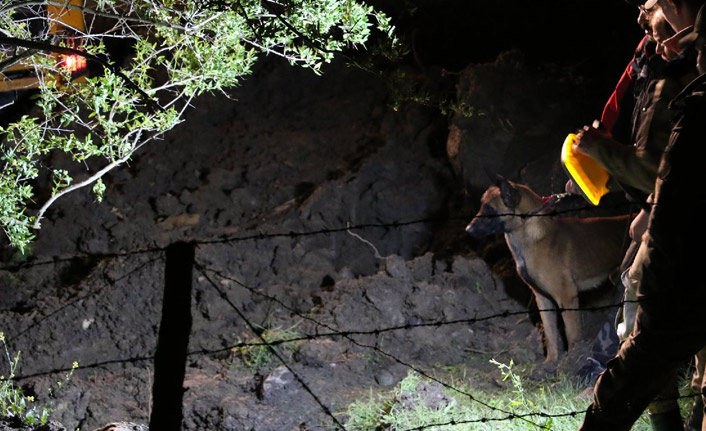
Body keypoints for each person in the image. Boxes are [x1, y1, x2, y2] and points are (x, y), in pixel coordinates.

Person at [577, 1, 706, 430]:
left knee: (645, 333)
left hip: (679, 230)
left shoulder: (689, 83)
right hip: (662, 216)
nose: (640, 14)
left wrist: (602, 153)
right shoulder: (660, 72)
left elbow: (663, 170)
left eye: (651, 4)